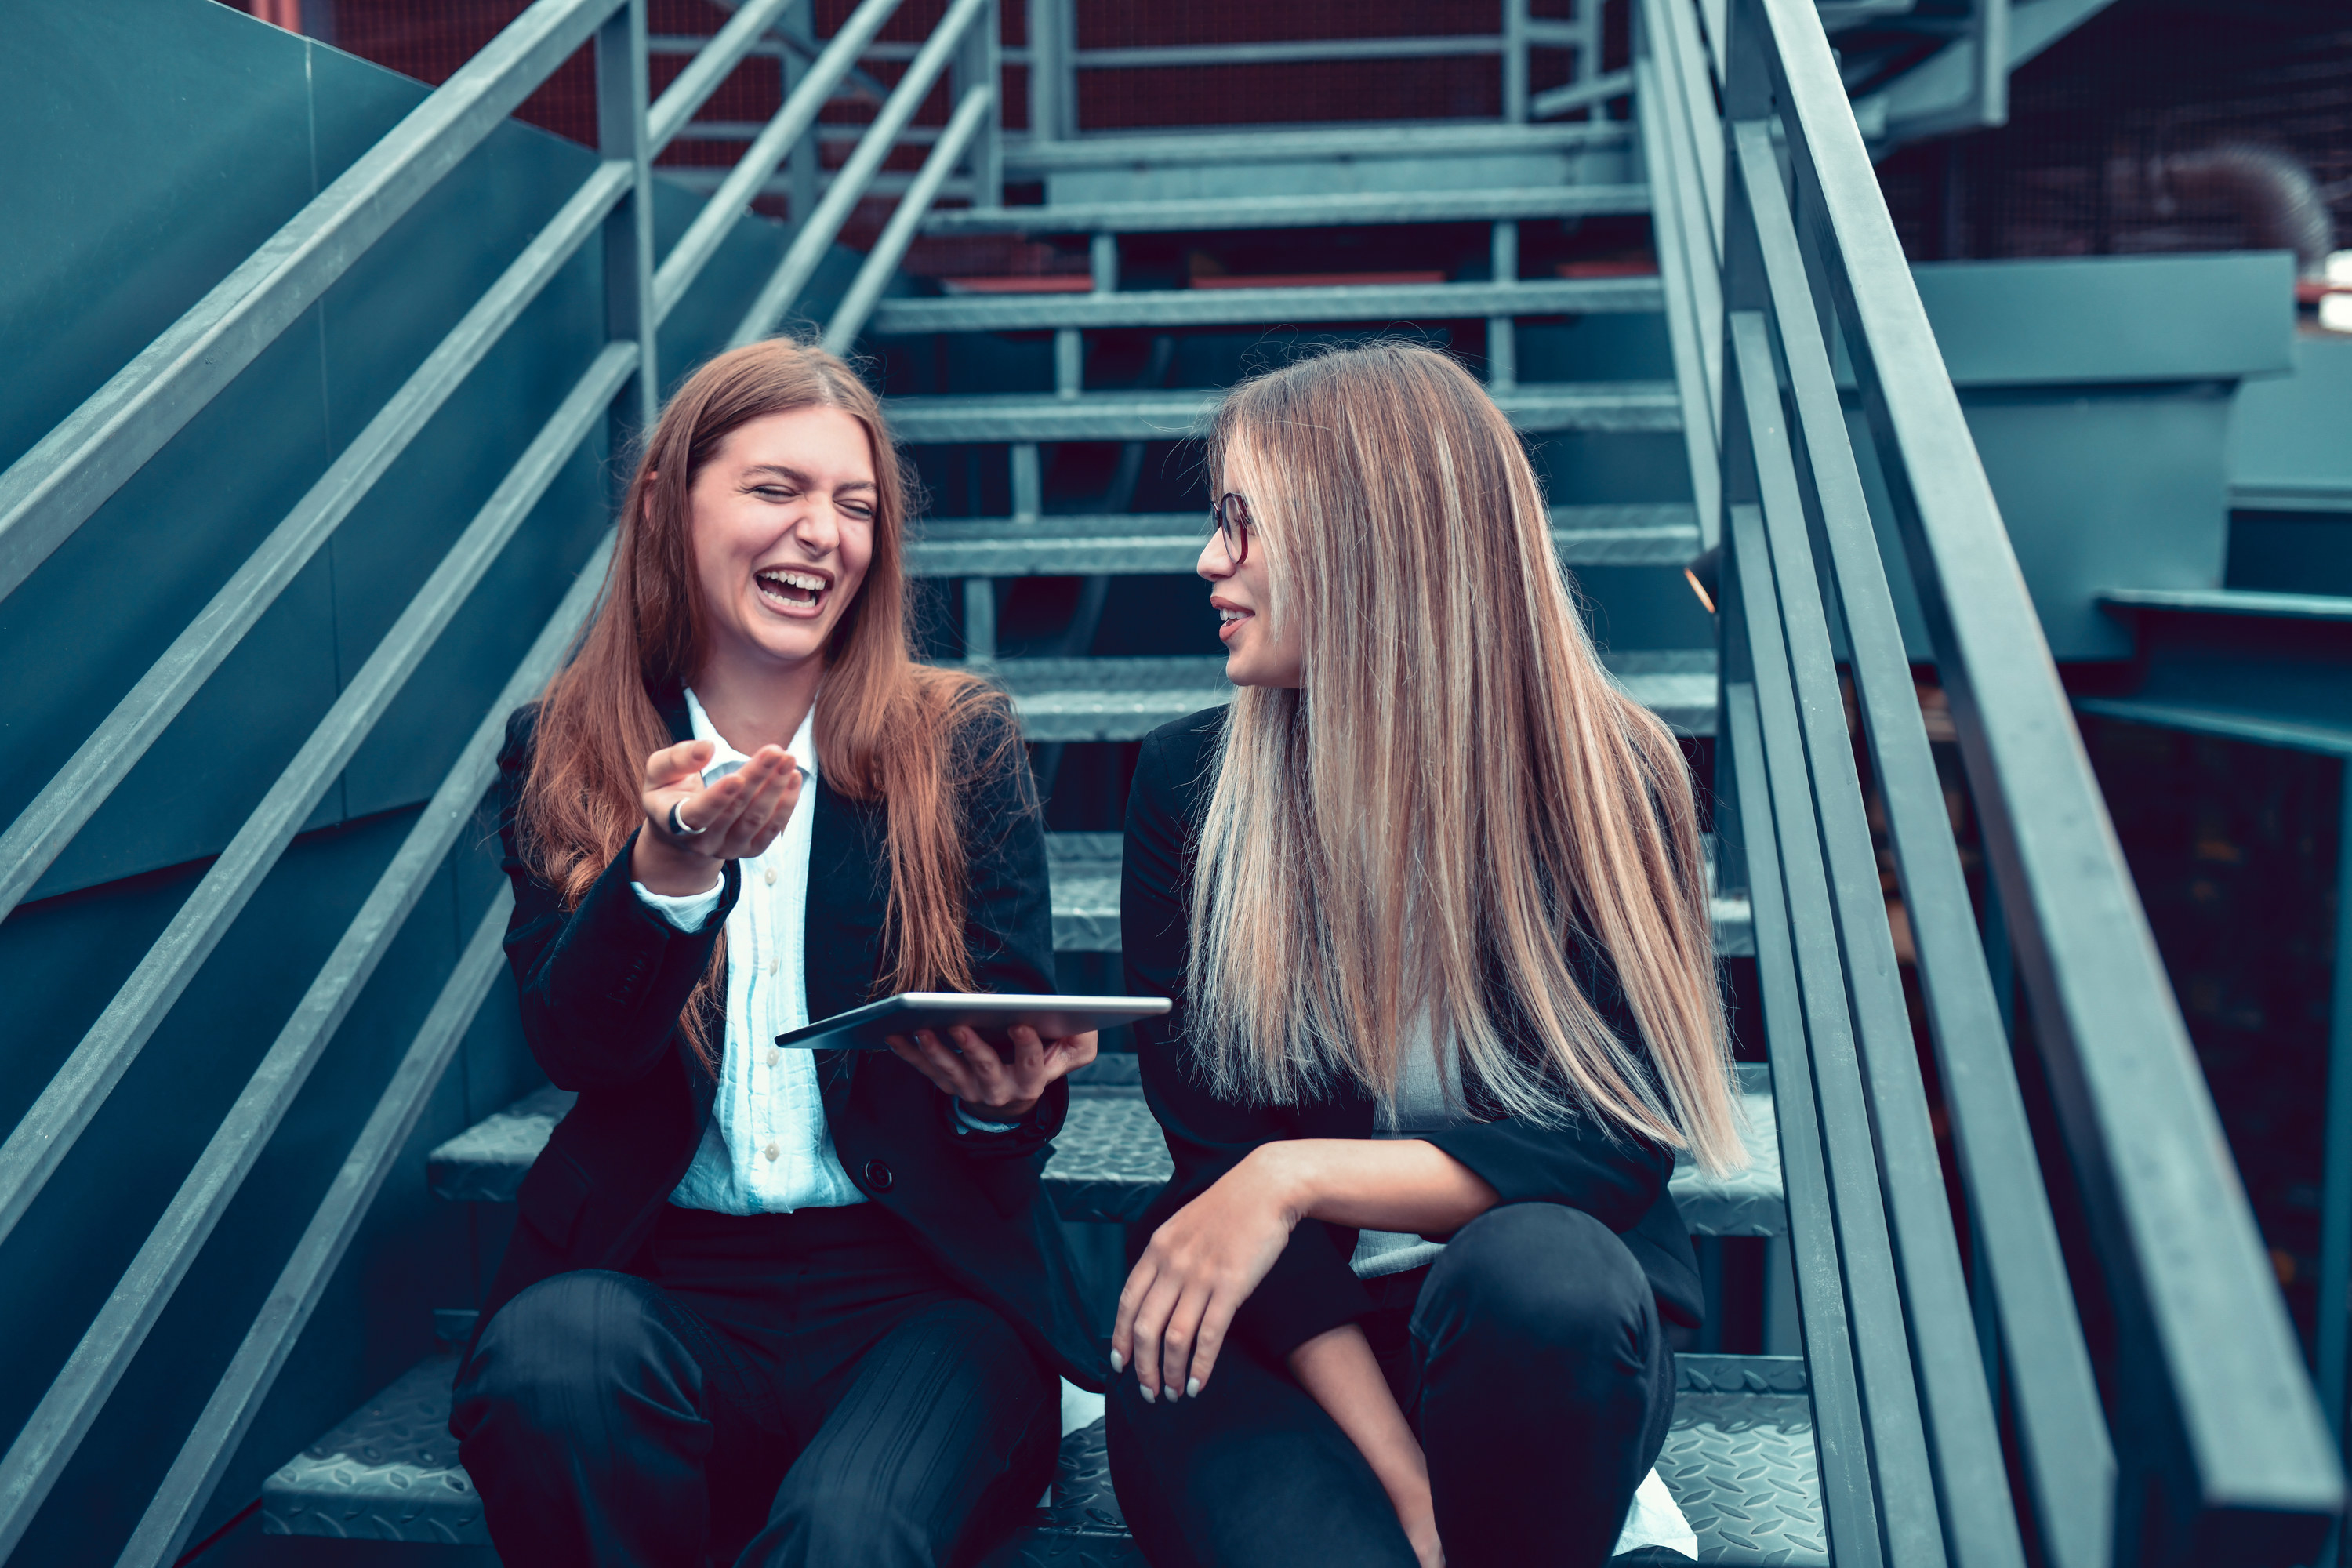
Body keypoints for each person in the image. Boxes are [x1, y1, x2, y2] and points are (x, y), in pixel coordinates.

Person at [449, 339, 1102, 1568]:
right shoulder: (568, 747)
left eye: (855, 505)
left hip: (920, 1290)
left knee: (846, 1532)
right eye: (776, 490)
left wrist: (1005, 1110)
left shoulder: (955, 743)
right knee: (548, 1366)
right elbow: (576, 1045)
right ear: (665, 502)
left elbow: (1013, 1068)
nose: (824, 533)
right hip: (664, 1275)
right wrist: (669, 874)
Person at [1108, 342, 1745, 1568]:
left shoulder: (1617, 783)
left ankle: (1575, 1498)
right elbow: (1215, 1155)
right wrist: (1412, 1491)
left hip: (1538, 1335)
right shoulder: (1188, 786)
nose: (1208, 564)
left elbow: (1606, 1150)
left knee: (1542, 1274)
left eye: (1240, 526)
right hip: (1269, 1334)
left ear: (1368, 537)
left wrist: (1294, 1173)